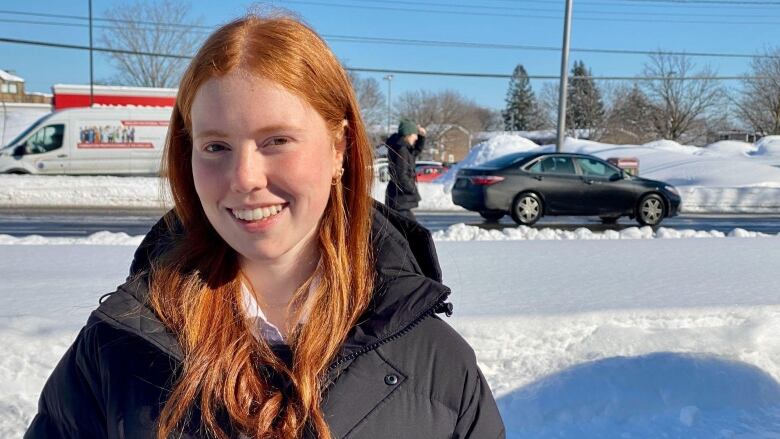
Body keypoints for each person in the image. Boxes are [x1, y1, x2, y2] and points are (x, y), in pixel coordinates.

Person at [25, 14, 504, 439]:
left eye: (276, 140)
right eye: (216, 146)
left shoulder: (437, 367)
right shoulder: (117, 352)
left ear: (339, 149)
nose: (244, 178)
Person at [384, 119, 425, 221]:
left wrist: (422, 137)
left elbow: (416, 151)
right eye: (414, 135)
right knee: (413, 232)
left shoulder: (404, 148)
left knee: (409, 232)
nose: (416, 138)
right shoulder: (401, 150)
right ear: (407, 135)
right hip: (400, 199)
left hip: (400, 200)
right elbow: (400, 175)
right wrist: (412, 189)